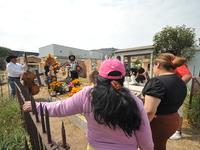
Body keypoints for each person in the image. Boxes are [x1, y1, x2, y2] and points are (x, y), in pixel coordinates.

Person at [23, 59, 154, 150]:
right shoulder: (134, 101)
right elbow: (145, 137)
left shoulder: (88, 94)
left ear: (100, 77)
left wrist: (37, 106)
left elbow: (61, 108)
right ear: (123, 77)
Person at [142, 53, 187, 150]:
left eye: (153, 65)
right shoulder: (180, 81)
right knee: (160, 145)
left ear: (158, 64)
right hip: (173, 120)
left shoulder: (157, 81)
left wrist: (140, 126)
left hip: (158, 123)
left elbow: (149, 110)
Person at [164, 50, 192, 140]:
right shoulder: (170, 65)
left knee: (178, 111)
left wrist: (176, 86)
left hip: (176, 92)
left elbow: (187, 75)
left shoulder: (177, 64)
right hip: (171, 91)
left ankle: (178, 132)